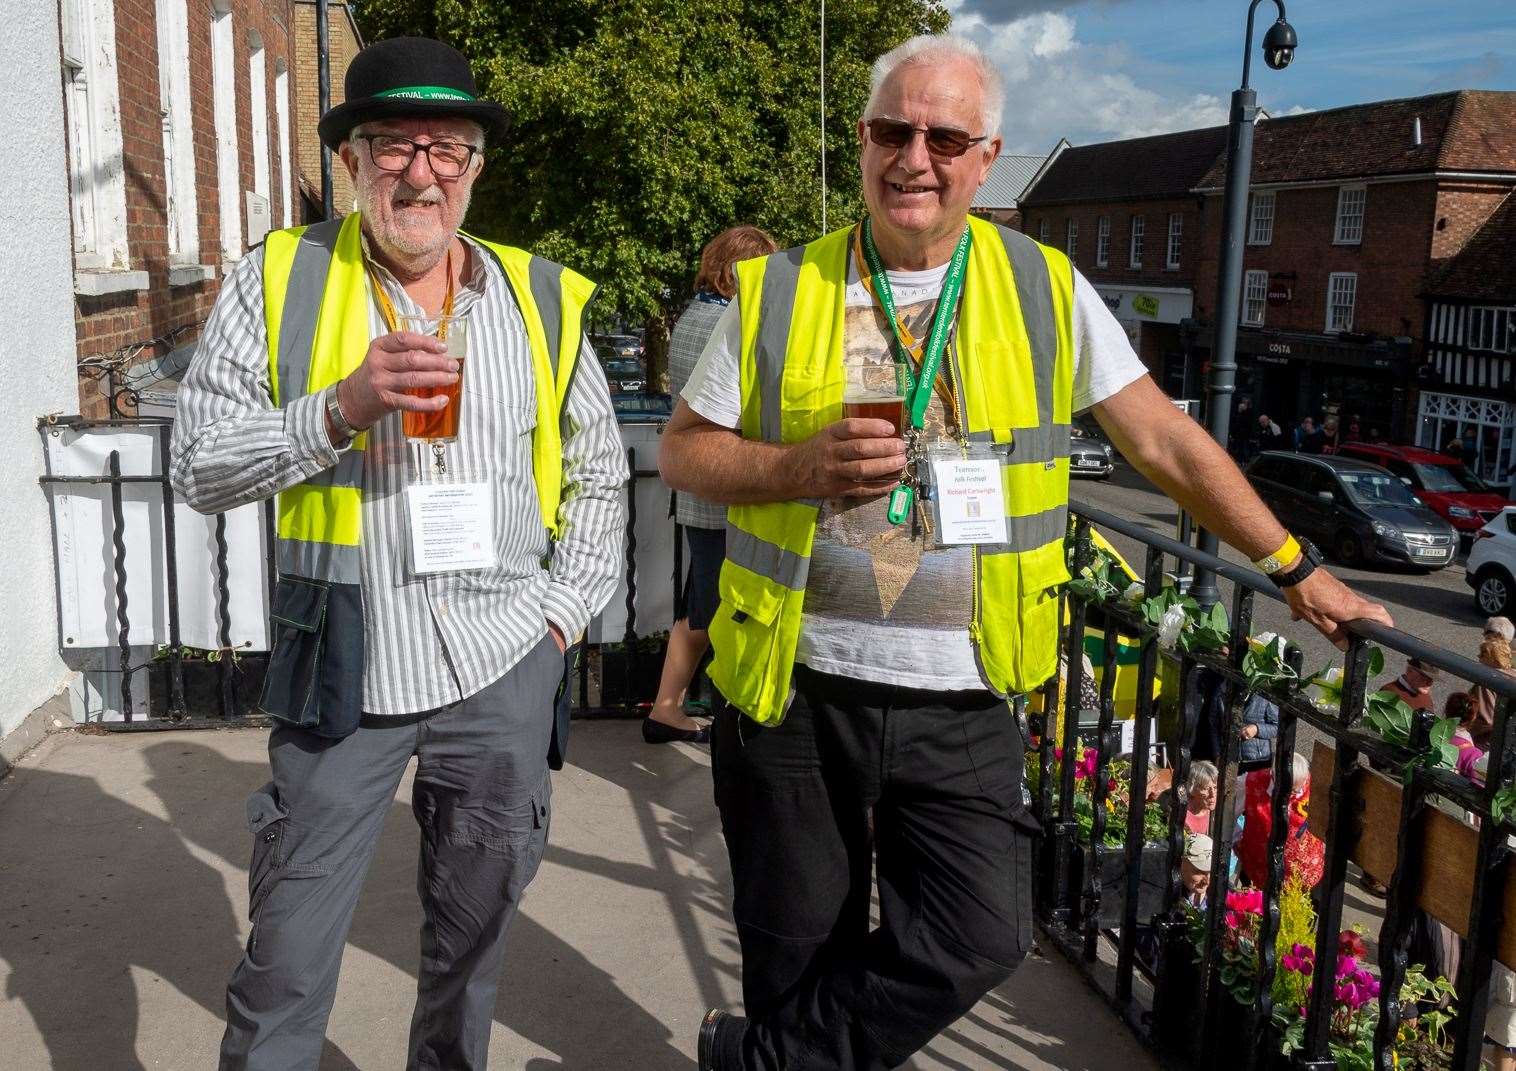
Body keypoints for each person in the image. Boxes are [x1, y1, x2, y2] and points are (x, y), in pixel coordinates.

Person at [658, 33, 1389, 1070]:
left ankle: (756, 1063)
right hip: (792, 690)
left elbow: (1165, 440)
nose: (913, 156)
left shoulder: (1044, 286)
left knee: (979, 934)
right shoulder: (778, 288)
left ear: (984, 156)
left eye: (943, 136)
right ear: (860, 140)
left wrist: (1296, 569)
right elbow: (684, 454)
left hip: (963, 693)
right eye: (889, 129)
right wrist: (796, 469)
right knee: (795, 960)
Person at [170, 37, 629, 1069]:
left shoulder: (542, 299)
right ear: (348, 160)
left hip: (503, 658)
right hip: (344, 661)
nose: (420, 171)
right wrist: (337, 410)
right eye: (392, 145)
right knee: (287, 956)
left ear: (476, 166)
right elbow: (196, 465)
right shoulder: (279, 279)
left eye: (447, 147)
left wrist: (560, 621)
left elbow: (601, 475)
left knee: (473, 948)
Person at [646, 226, 780, 745]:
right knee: (728, 613)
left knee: (698, 609)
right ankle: (735, 727)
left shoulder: (691, 316)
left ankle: (666, 709)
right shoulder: (725, 320)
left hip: (698, 497)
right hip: (723, 496)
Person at [1236, 754, 1325, 891]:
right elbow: (1228, 811)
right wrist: (1237, 839)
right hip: (1264, 871)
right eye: (1292, 790)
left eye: (1299, 788)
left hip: (1307, 872)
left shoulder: (1308, 781)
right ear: (1274, 777)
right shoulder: (1251, 782)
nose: (1297, 794)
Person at [1467, 635, 1516, 750]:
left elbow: (1487, 721)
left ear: (1492, 658)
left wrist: (1465, 730)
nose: (1478, 656)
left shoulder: (1487, 682)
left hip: (1484, 741)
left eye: (1483, 654)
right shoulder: (1512, 675)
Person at [1239, 691, 1280, 772]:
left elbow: (1278, 727)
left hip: (1257, 760)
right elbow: (1213, 724)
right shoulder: (1224, 688)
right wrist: (1217, 754)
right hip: (1227, 756)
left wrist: (1257, 729)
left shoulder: (1265, 695)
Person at [1182, 761, 1218, 836]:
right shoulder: (1181, 814)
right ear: (1192, 789)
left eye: (1215, 787)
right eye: (1206, 788)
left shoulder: (1218, 812)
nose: (1213, 794)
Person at [1180, 833, 1213, 906]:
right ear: (1182, 864)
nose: (1207, 882)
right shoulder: (1167, 895)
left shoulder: (1220, 895)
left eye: (1211, 872)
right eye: (1201, 872)